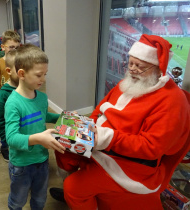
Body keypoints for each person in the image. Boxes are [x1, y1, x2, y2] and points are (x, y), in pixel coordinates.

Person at [55, 34, 190, 209]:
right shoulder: (130, 83)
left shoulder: (172, 100)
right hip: (101, 144)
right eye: (130, 63)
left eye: (139, 66)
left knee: (73, 187)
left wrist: (104, 137)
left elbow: (151, 147)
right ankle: (82, 190)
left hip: (130, 164)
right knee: (61, 148)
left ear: (157, 69)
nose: (132, 70)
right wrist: (84, 127)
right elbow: (99, 111)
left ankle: (78, 194)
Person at [4, 44, 65, 209]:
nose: (43, 79)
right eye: (39, 75)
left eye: (45, 74)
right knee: (18, 201)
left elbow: (42, 116)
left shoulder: (42, 97)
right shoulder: (13, 103)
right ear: (22, 74)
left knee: (39, 198)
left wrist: (63, 118)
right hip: (21, 165)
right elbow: (11, 137)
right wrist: (38, 138)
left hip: (42, 160)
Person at [0, 49, 21, 162]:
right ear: (9, 71)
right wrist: (6, 142)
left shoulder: (28, 88)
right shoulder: (2, 96)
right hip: (10, 136)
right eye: (19, 70)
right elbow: (1, 121)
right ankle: (4, 148)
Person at [0, 30, 21, 96]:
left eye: (17, 47)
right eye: (11, 47)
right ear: (3, 47)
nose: (14, 50)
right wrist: (0, 98)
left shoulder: (21, 62)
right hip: (4, 97)